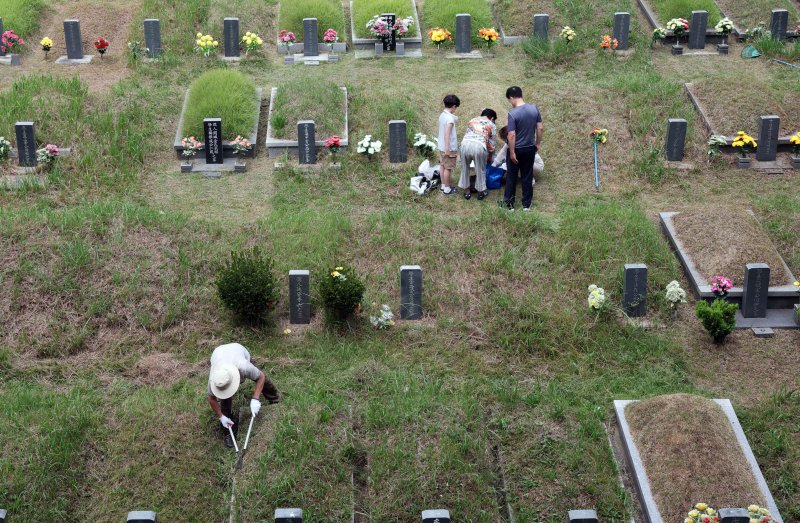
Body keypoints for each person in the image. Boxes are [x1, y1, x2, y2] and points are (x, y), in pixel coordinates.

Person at [207, 342, 280, 448]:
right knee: (225, 399)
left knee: (261, 379)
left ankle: (274, 399)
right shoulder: (214, 379)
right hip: (218, 354)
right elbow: (211, 398)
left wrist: (255, 398)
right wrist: (221, 417)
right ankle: (230, 429)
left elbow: (261, 377)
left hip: (238, 350)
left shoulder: (244, 366)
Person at [502, 86, 543, 211]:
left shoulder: (512, 113)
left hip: (517, 149)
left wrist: (512, 152)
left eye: (510, 100)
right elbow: (540, 128)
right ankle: (526, 205)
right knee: (527, 175)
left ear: (511, 97)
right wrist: (538, 143)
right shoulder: (534, 109)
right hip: (530, 147)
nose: (511, 103)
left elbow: (511, 135)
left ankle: (509, 206)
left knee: (511, 176)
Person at [458, 108, 497, 200]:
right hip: (479, 146)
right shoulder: (491, 124)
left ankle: (466, 191)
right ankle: (480, 192)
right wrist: (489, 158)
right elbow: (491, 145)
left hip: (464, 144)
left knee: (465, 168)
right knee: (480, 169)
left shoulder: (472, 120)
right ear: (492, 118)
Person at [437, 94, 460, 195]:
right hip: (448, 148)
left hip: (441, 146)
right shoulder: (450, 119)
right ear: (454, 106)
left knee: (442, 166)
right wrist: (448, 149)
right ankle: (447, 189)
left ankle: (443, 185)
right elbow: (447, 134)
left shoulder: (442, 115)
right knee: (448, 168)